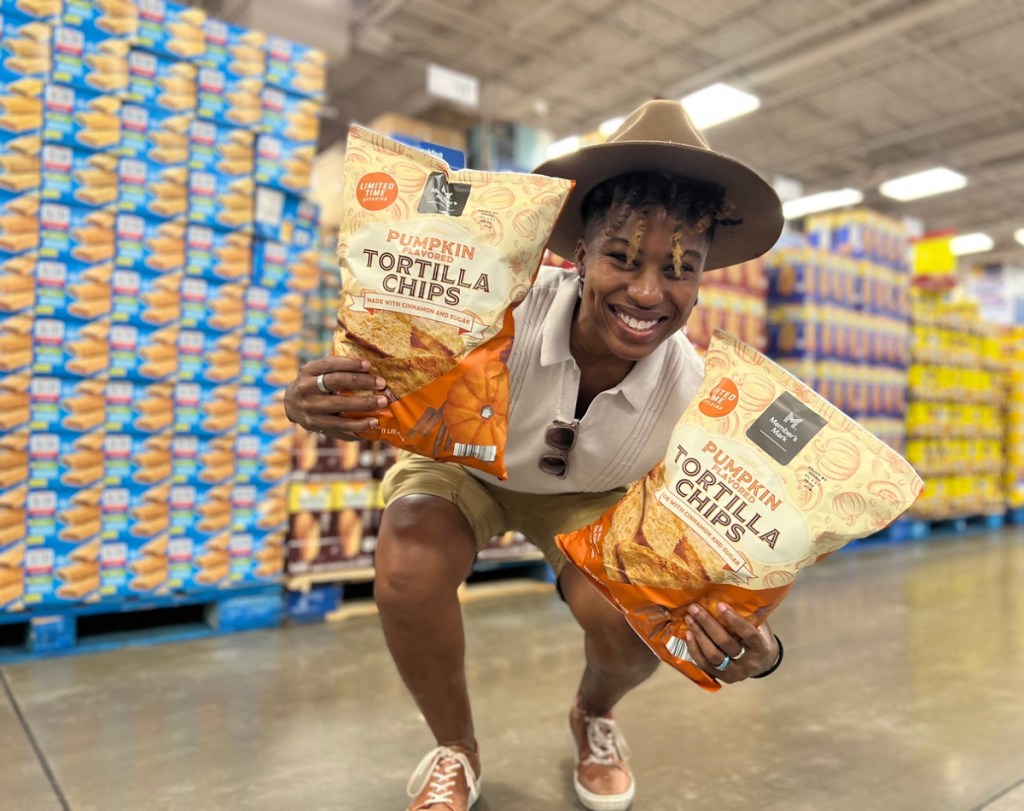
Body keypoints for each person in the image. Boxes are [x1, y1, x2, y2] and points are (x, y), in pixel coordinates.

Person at [285, 99, 786, 811]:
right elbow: (388, 376)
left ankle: (595, 714)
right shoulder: (493, 305)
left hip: (595, 495)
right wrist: (313, 400)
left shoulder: (698, 398)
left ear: (701, 279)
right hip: (467, 466)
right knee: (408, 562)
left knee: (632, 622)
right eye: (621, 257)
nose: (648, 292)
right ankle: (455, 748)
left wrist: (763, 652)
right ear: (578, 253)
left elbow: (723, 554)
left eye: (679, 269)